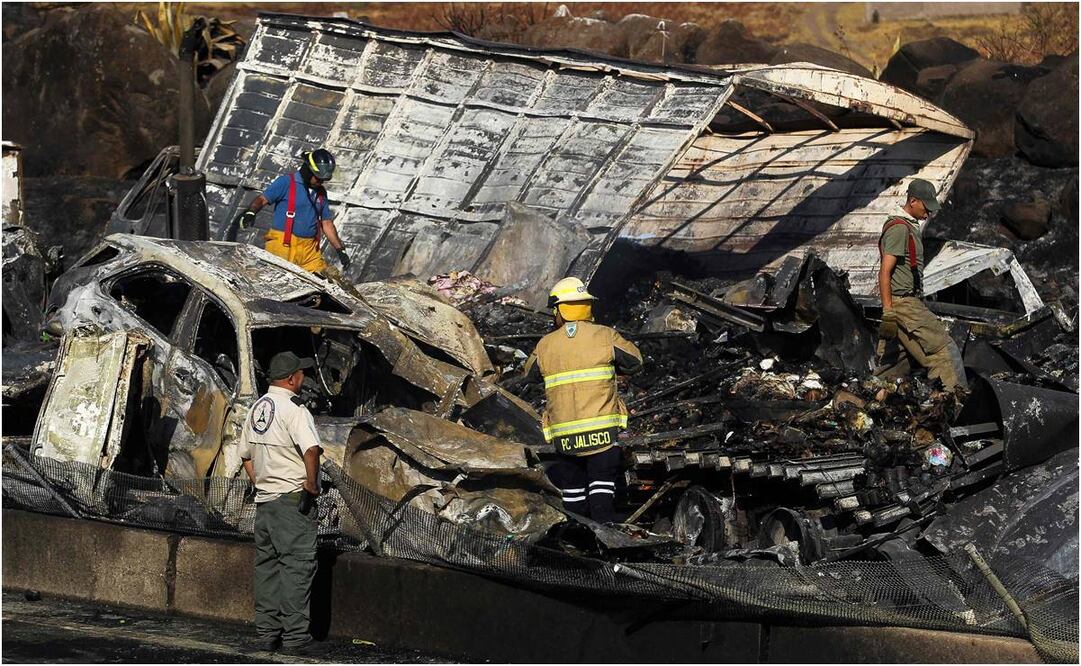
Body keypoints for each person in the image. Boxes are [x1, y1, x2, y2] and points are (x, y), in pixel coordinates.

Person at [521, 277, 643, 523]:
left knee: (574, 495)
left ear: (560, 310)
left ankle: (577, 545)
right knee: (602, 491)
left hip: (565, 438)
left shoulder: (545, 345)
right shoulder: (606, 336)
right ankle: (605, 546)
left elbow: (530, 375)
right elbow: (635, 362)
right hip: (602, 434)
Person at [238, 351, 324, 654]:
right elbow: (311, 450)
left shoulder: (257, 408)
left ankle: (266, 633)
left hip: (265, 502)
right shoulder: (294, 409)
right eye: (301, 373)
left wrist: (261, 482)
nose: (303, 377)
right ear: (292, 378)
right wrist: (310, 485)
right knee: (296, 567)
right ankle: (296, 637)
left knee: (267, 568)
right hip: (291, 501)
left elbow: (246, 456)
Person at [876, 178, 968, 392]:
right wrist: (888, 311)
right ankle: (955, 402)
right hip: (904, 304)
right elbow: (884, 272)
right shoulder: (899, 228)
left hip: (901, 304)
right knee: (944, 350)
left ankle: (872, 402)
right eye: (926, 207)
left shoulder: (906, 226)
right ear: (913, 201)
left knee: (893, 363)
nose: (929, 212)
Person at [235, 149, 350, 273]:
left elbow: (326, 223)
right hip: (284, 246)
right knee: (276, 281)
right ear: (308, 171)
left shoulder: (321, 193)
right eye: (318, 178)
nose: (321, 182)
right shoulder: (287, 182)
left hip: (309, 251)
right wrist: (251, 212)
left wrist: (340, 250)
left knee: (325, 281)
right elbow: (262, 199)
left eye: (323, 180)